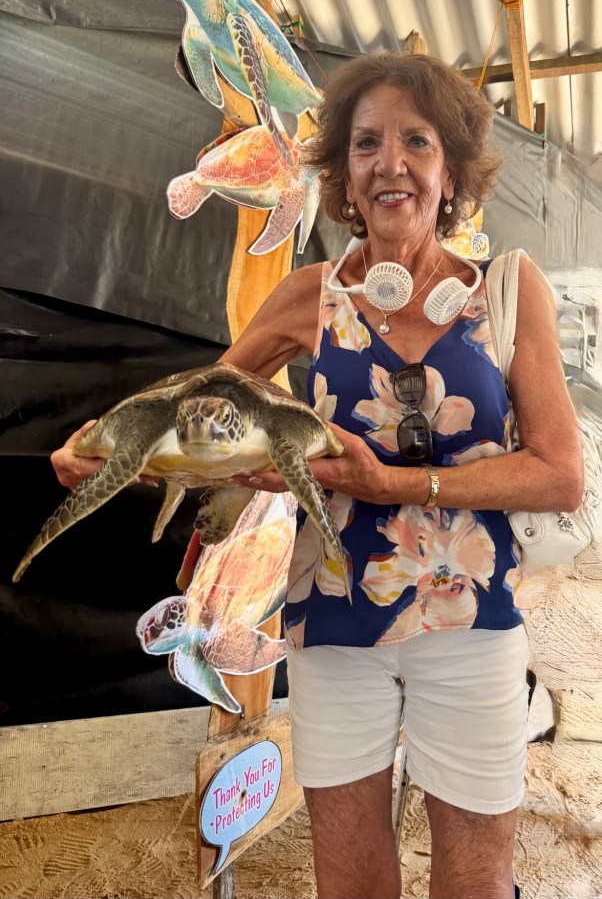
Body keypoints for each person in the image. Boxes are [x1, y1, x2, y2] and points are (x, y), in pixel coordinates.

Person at [52, 53, 583, 899]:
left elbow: (559, 475)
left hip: (472, 618)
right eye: (366, 143)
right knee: (348, 876)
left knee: (476, 878)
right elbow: (199, 410)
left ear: (450, 171)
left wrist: (398, 488)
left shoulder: (506, 289)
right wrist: (110, 446)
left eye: (416, 140)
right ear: (343, 174)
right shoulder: (311, 294)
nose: (390, 162)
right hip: (334, 620)